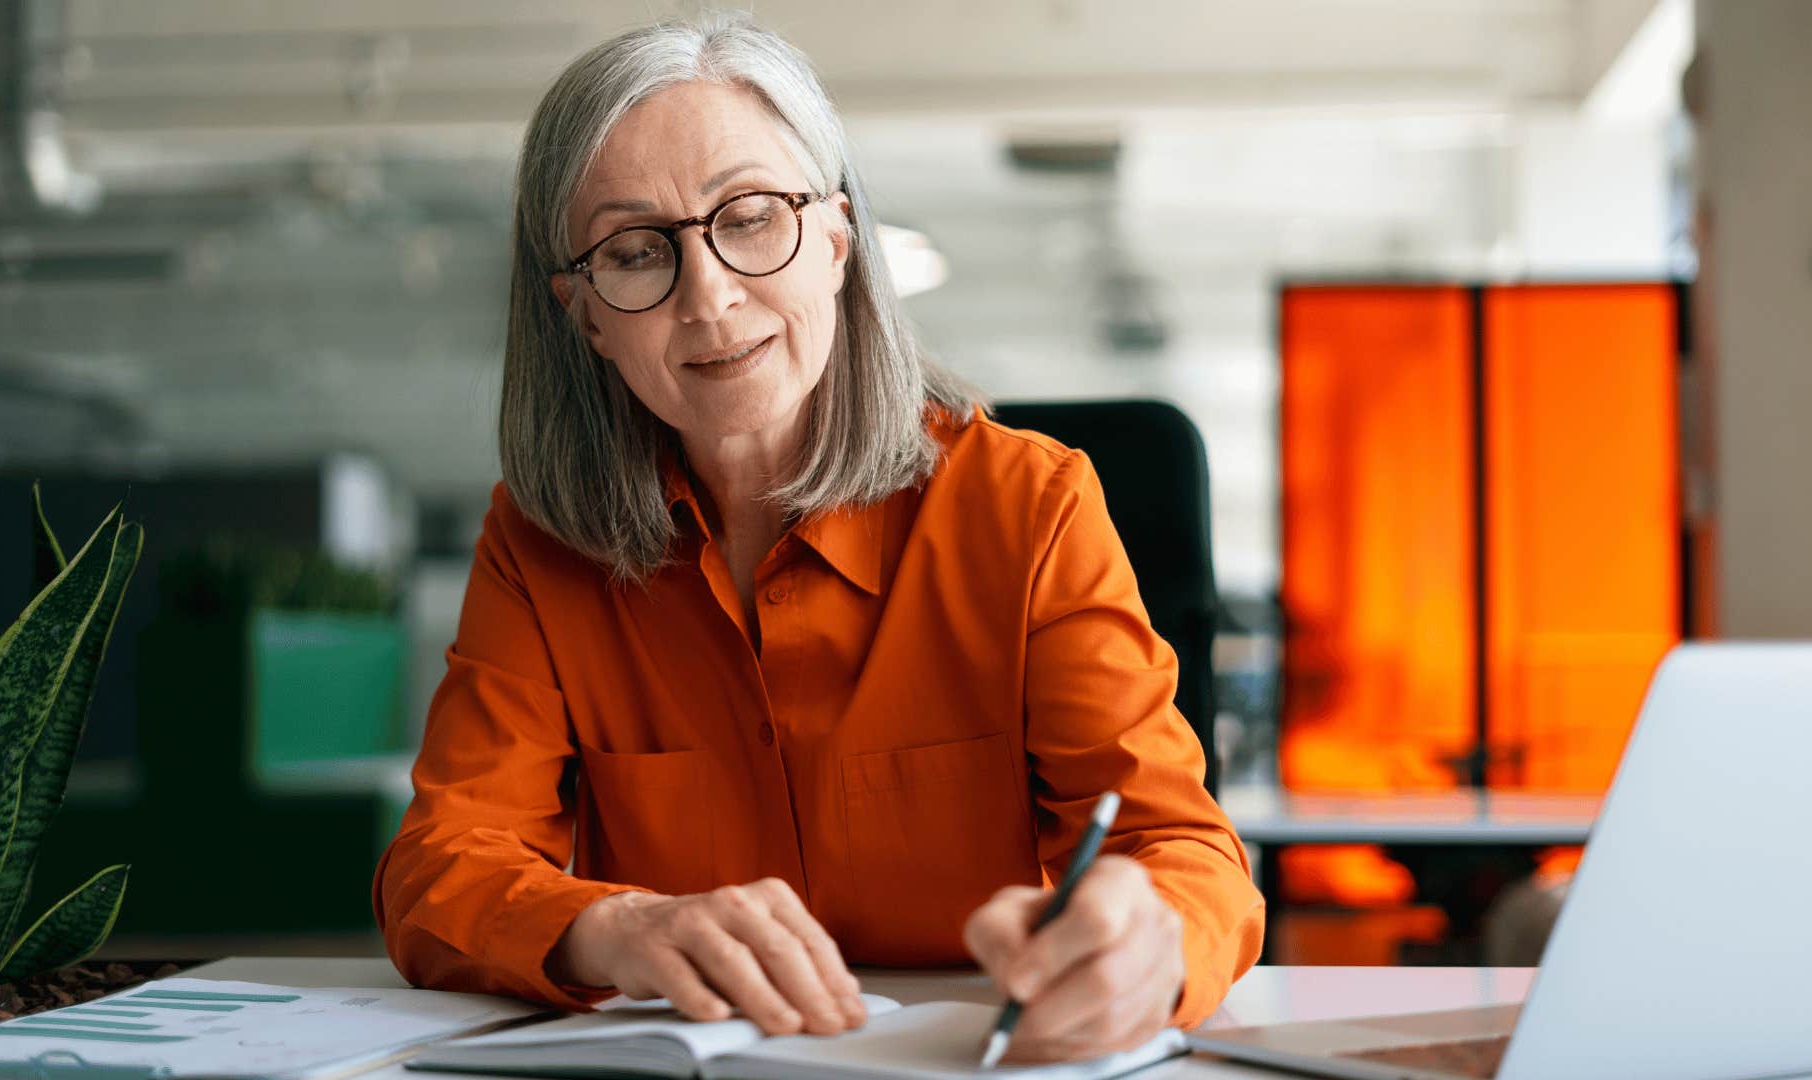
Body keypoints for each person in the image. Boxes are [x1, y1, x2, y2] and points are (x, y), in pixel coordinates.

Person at [372, 10, 1263, 1065]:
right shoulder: (540, 540)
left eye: (751, 218)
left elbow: (1181, 851)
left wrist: (1145, 945)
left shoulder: (1029, 506)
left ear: (837, 241)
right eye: (635, 251)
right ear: (586, 315)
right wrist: (617, 929)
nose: (709, 297)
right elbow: (442, 865)